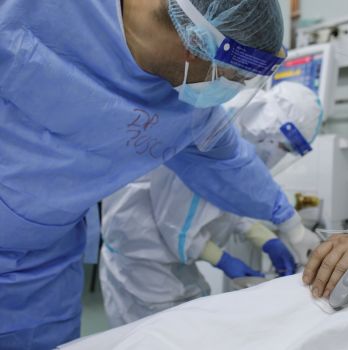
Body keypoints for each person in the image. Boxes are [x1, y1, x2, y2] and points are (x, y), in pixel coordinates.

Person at [0, 0, 314, 348]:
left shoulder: (186, 108)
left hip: (44, 267)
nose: (228, 87)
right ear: (196, 43)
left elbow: (228, 162)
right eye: (229, 76)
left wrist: (287, 221)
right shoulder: (31, 10)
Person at [100, 82, 323, 327]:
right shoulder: (209, 138)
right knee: (158, 332)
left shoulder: (233, 132)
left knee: (191, 315)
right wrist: (224, 260)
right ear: (269, 128)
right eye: (283, 146)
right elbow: (175, 224)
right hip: (143, 257)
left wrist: (265, 239)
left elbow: (225, 197)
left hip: (164, 254)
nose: (279, 154)